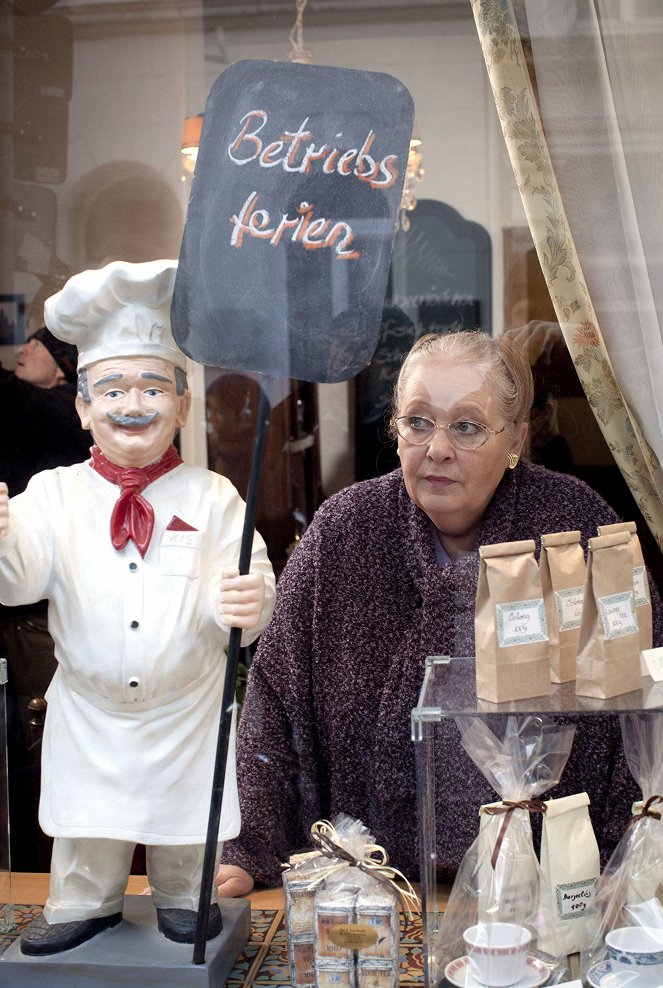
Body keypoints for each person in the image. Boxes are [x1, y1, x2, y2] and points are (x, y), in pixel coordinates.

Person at [216, 329, 662, 898]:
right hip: (371, 887)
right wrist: (249, 843)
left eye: (468, 426)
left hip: (552, 889)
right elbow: (272, 698)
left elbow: (646, 696)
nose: (438, 448)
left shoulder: (576, 527)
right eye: (418, 422)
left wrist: (631, 856)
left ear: (517, 438)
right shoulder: (345, 530)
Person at [0, 259, 276, 955]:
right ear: (83, 405)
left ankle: (184, 894)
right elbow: (16, 583)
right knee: (88, 825)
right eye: (113, 388)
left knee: (185, 826)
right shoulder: (54, 495)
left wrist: (254, 600)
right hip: (90, 711)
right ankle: (83, 899)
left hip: (186, 707)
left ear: (182, 405)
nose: (133, 404)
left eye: (154, 387)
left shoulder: (213, 498)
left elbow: (254, 583)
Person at [0, 323, 92, 871]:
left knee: (38, 730)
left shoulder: (57, 411)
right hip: (18, 601)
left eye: (38, 344)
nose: (22, 350)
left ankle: (40, 864)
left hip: (39, 615)